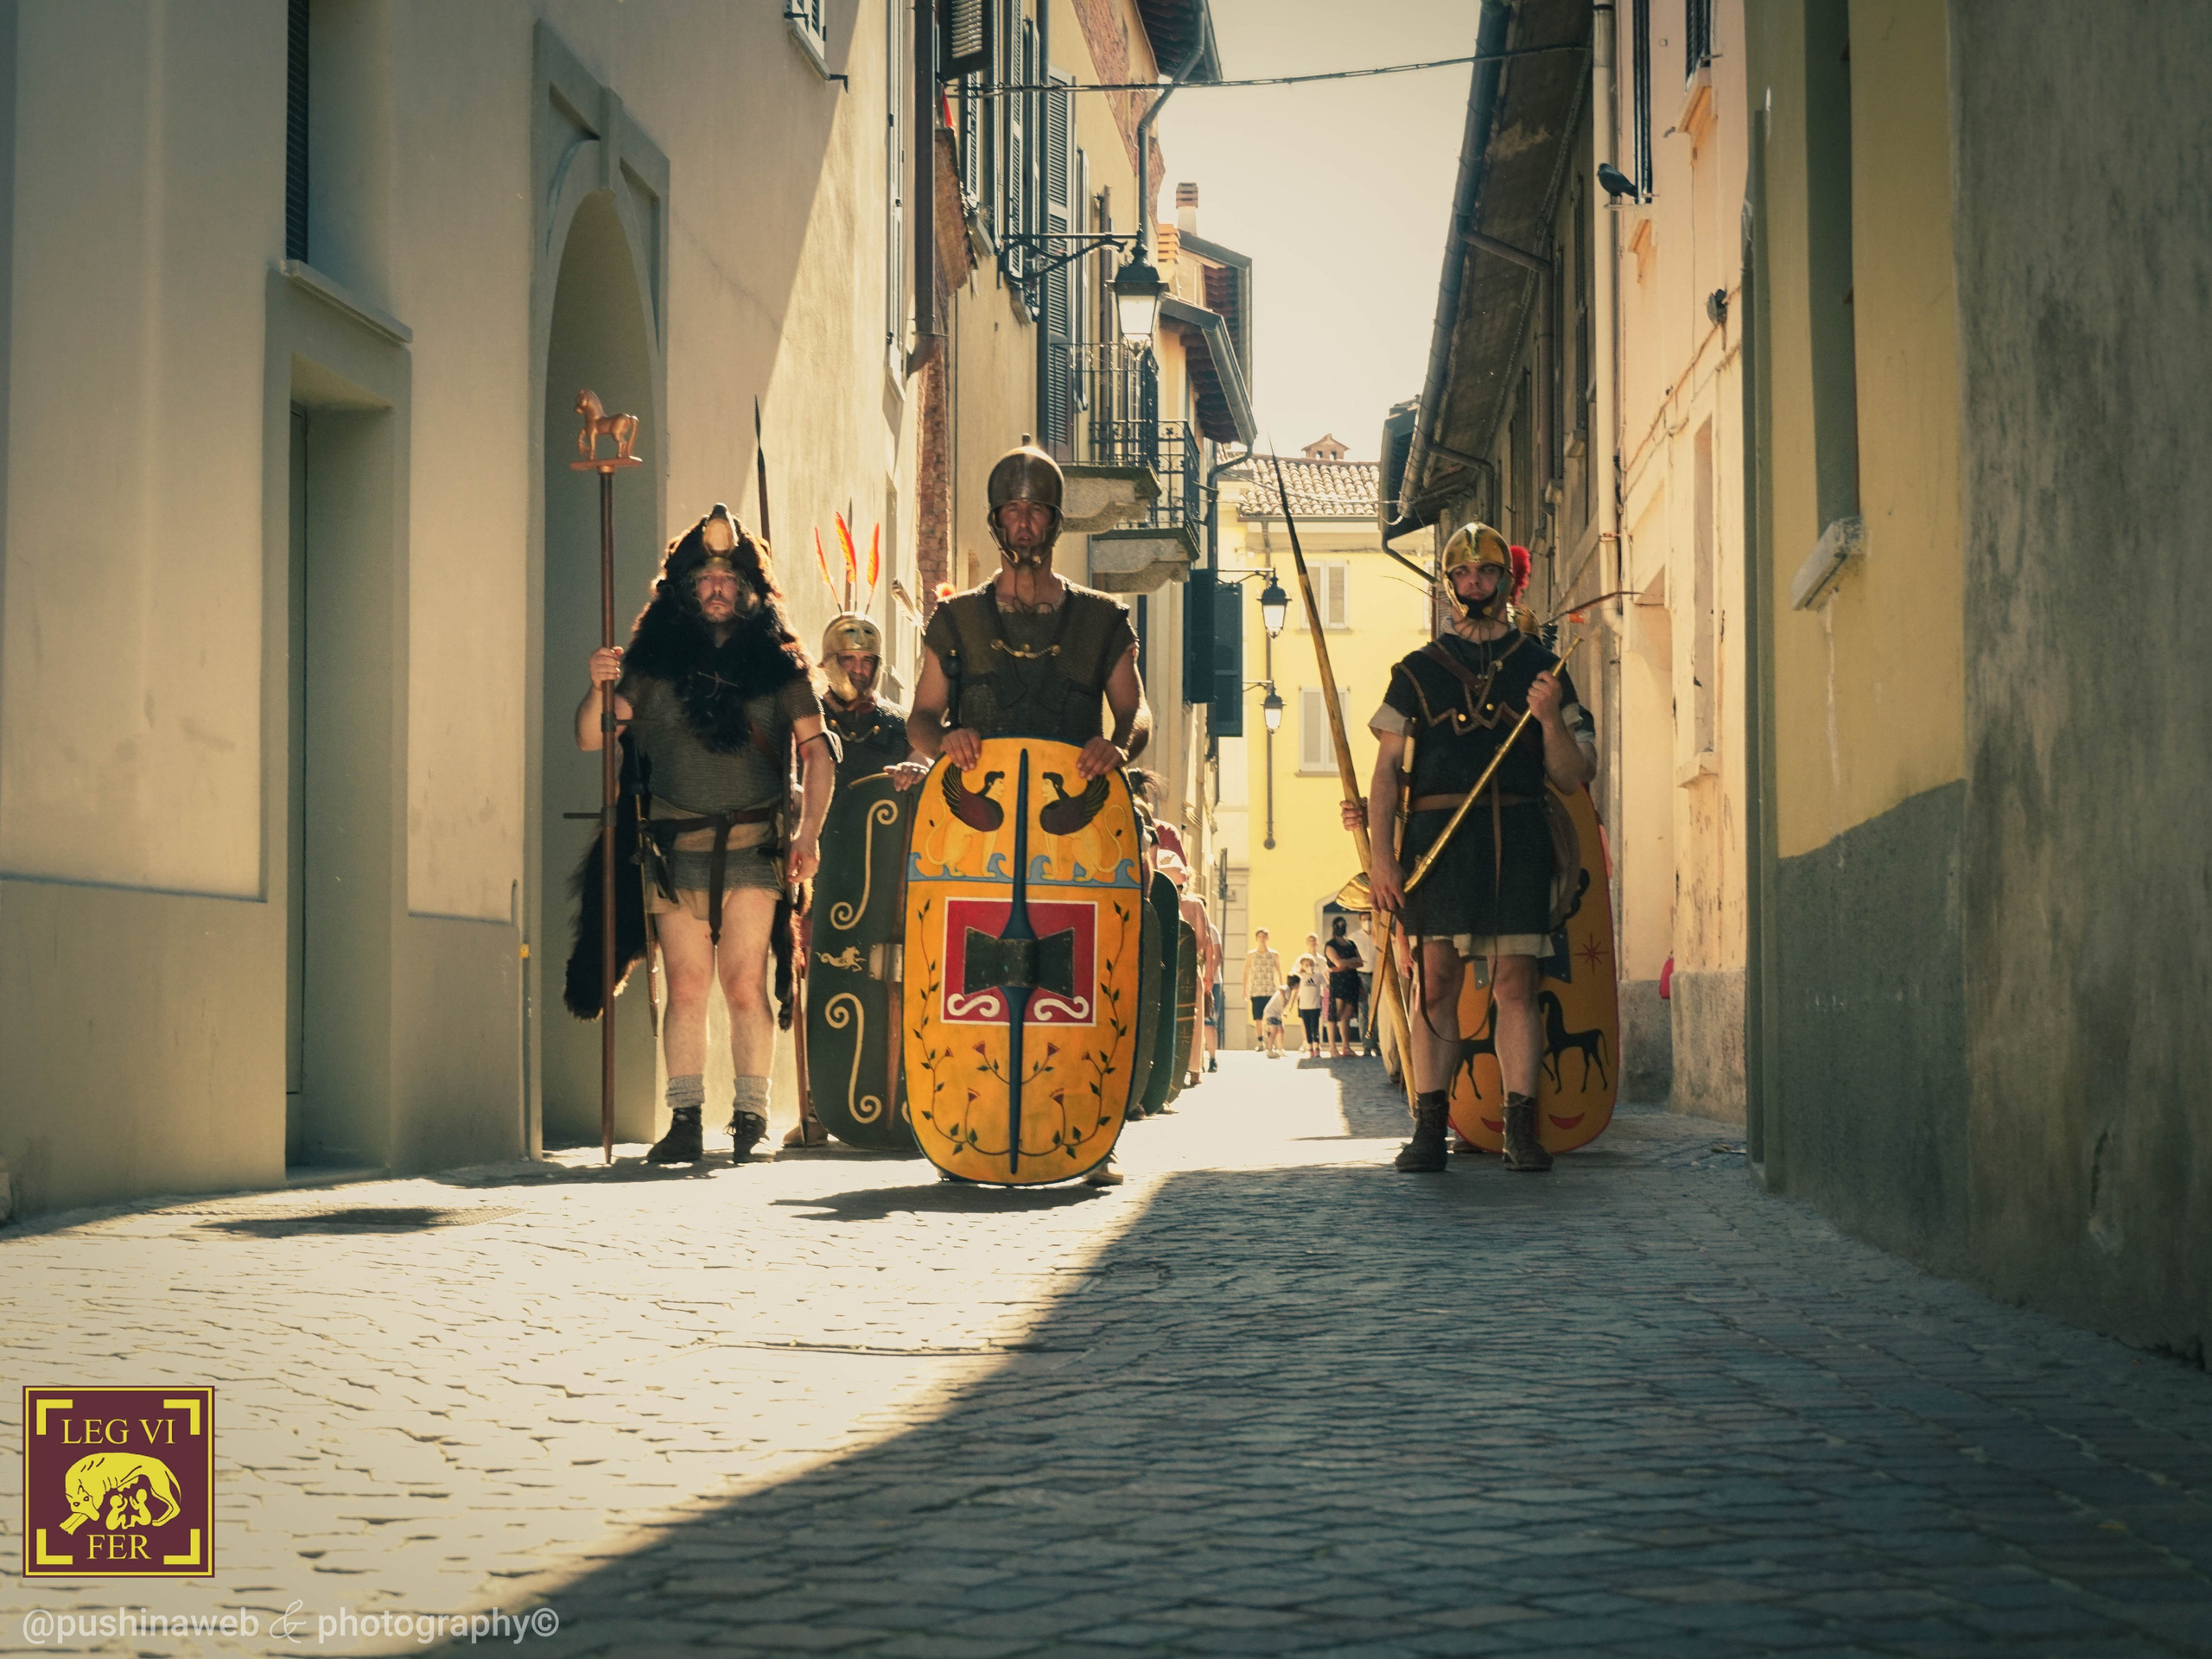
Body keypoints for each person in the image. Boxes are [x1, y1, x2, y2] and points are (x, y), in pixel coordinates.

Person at [906, 435, 1150, 1186]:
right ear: (995, 520)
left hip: (1075, 834)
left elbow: (1135, 716)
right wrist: (946, 740)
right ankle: (966, 1129)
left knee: (1079, 985)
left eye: (1035, 511)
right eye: (1011, 512)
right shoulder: (957, 622)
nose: (1022, 524)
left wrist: (1117, 750)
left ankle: (1084, 1133)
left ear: (1053, 522)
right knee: (962, 980)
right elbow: (919, 718)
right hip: (973, 836)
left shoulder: (1102, 619)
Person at [578, 504, 834, 1165]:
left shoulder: (782, 670)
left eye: (729, 580)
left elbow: (819, 753)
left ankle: (750, 1116)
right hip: (671, 855)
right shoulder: (653, 667)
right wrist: (598, 687)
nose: (717, 590)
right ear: (687, 591)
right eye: (705, 580)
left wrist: (808, 836)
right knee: (687, 986)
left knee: (745, 983)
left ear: (750, 591)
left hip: (754, 850)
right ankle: (685, 1117)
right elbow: (591, 735)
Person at [1358, 522, 1596, 1174]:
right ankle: (1430, 1127)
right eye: (1462, 575)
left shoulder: (1541, 669)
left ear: (1505, 580)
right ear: (1450, 583)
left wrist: (1548, 717)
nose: (1474, 585)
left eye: (1485, 573)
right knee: (1435, 982)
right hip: (1439, 845)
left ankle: (1521, 1128)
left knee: (1517, 983)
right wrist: (1383, 857)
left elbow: (1575, 774)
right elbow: (1385, 774)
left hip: (1518, 842)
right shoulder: (1414, 673)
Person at [785, 613, 928, 1147]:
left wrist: (919, 764)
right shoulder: (805, 717)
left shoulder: (897, 724)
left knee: (881, 988)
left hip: (877, 882)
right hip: (816, 865)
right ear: (829, 662)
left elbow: (923, 760)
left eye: (867, 660)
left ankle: (890, 1099)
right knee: (814, 982)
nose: (859, 669)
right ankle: (816, 1108)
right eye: (848, 660)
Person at [1324, 916, 1366, 1058]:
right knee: (1335, 1015)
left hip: (1351, 981)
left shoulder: (1351, 944)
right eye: (1338, 925)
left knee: (1347, 1016)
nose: (1341, 927)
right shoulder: (1331, 945)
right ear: (1334, 927)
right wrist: (1350, 962)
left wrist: (1346, 963)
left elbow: (1360, 962)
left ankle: (1346, 1047)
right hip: (1339, 983)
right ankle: (1332, 1048)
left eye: (1343, 925)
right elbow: (1337, 963)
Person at [1243, 928, 1283, 1051]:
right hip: (1256, 990)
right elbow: (1246, 972)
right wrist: (1244, 989)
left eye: (1264, 936)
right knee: (1258, 1018)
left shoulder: (1274, 954)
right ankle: (1260, 1042)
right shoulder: (1251, 955)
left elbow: (1279, 971)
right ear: (1256, 939)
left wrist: (1281, 988)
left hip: (1270, 990)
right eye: (1260, 937)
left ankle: (1271, 1042)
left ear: (1267, 938)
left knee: (1271, 1018)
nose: (1262, 939)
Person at [1294, 955, 1325, 1057]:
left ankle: (1317, 1048)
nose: (1309, 966)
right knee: (1307, 1028)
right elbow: (1294, 987)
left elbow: (1326, 986)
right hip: (1303, 1006)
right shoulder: (1300, 977)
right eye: (1306, 965)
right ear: (1302, 965)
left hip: (1315, 1006)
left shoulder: (1318, 976)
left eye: (1311, 964)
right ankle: (1310, 1047)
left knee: (1314, 1027)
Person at [1262, 980, 1291, 1058]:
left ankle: (1280, 1050)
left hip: (1276, 1013)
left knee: (1281, 1030)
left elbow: (1277, 1003)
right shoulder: (1287, 988)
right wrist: (1284, 1000)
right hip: (1271, 1013)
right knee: (1273, 1031)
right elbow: (1280, 989)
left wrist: (1283, 1012)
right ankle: (1269, 1050)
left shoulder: (1289, 991)